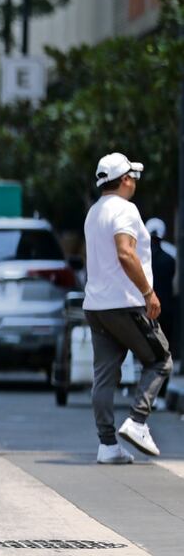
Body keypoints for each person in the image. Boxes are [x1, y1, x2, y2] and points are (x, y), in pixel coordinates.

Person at [83, 153, 173, 464]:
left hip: (96, 306)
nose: (135, 182)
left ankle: (107, 445)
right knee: (160, 360)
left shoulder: (94, 212)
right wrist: (148, 292)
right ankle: (137, 421)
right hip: (125, 303)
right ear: (124, 179)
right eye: (133, 176)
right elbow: (125, 253)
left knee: (104, 377)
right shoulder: (124, 209)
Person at [145, 217, 178, 363]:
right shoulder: (170, 256)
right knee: (165, 348)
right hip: (165, 307)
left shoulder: (139, 256)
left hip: (145, 307)